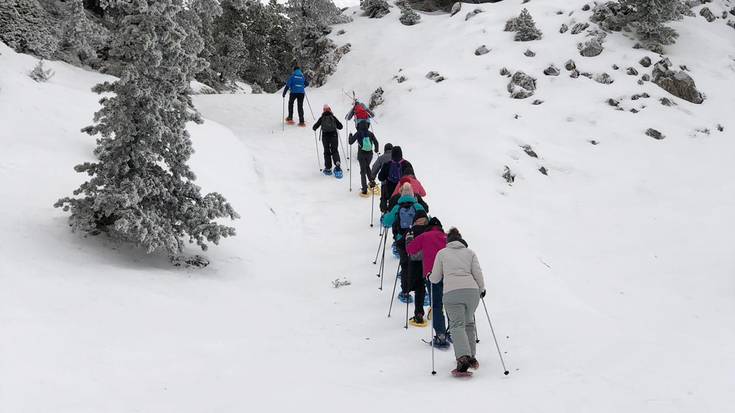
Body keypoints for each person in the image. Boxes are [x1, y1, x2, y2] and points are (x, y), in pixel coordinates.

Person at [429, 227, 486, 374]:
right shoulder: (470, 253)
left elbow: (435, 278)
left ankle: (463, 358)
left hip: (452, 293)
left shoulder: (442, 253)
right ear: (461, 239)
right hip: (472, 292)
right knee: (469, 323)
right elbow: (477, 273)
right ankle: (471, 356)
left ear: (448, 240)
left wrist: (429, 276)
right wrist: (482, 288)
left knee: (456, 325)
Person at [383, 183, 428, 318]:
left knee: (405, 264)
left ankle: (405, 292)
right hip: (417, 240)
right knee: (419, 265)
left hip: (402, 240)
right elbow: (427, 220)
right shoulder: (418, 206)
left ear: (401, 194)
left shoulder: (397, 207)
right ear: (413, 194)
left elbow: (387, 221)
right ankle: (422, 292)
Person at [406, 217, 449, 348]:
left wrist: (409, 238)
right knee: (451, 304)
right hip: (449, 275)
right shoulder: (447, 237)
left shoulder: (425, 236)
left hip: (431, 275)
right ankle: (453, 331)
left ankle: (441, 335)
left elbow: (411, 250)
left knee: (436, 305)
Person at [348, 121, 379, 196]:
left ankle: (364, 189)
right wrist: (376, 150)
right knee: (367, 167)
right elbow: (376, 142)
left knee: (363, 171)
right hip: (370, 154)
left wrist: (350, 136)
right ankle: (372, 182)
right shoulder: (370, 133)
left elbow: (350, 142)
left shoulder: (358, 133)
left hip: (361, 154)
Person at [312, 105, 343, 175]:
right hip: (334, 135)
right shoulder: (333, 117)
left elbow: (315, 126)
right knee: (334, 150)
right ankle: (337, 164)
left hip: (325, 136)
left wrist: (314, 128)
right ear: (330, 110)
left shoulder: (322, 118)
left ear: (323, 110)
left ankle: (328, 168)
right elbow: (340, 126)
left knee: (326, 151)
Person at [371, 143, 393, 213]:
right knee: (394, 198)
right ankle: (393, 213)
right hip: (396, 183)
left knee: (384, 198)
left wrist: (372, 178)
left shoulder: (381, 158)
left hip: (385, 183)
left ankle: (384, 212)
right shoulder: (396, 157)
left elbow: (374, 167)